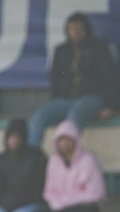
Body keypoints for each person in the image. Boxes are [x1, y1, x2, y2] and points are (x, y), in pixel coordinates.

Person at [27, 12, 120, 148]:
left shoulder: (99, 48)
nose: (75, 32)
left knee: (75, 114)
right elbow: (55, 79)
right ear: (67, 30)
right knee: (39, 117)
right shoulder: (61, 50)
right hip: (65, 99)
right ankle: (31, 158)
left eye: (79, 28)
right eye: (72, 29)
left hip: (91, 98)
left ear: (86, 29)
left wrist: (112, 106)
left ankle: (70, 156)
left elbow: (111, 79)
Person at [43, 120, 105, 212]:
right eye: (61, 140)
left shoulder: (88, 160)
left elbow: (96, 193)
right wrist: (57, 202)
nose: (65, 143)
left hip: (86, 207)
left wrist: (68, 200)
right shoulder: (53, 162)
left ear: (76, 140)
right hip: (59, 207)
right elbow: (49, 190)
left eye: (68, 139)